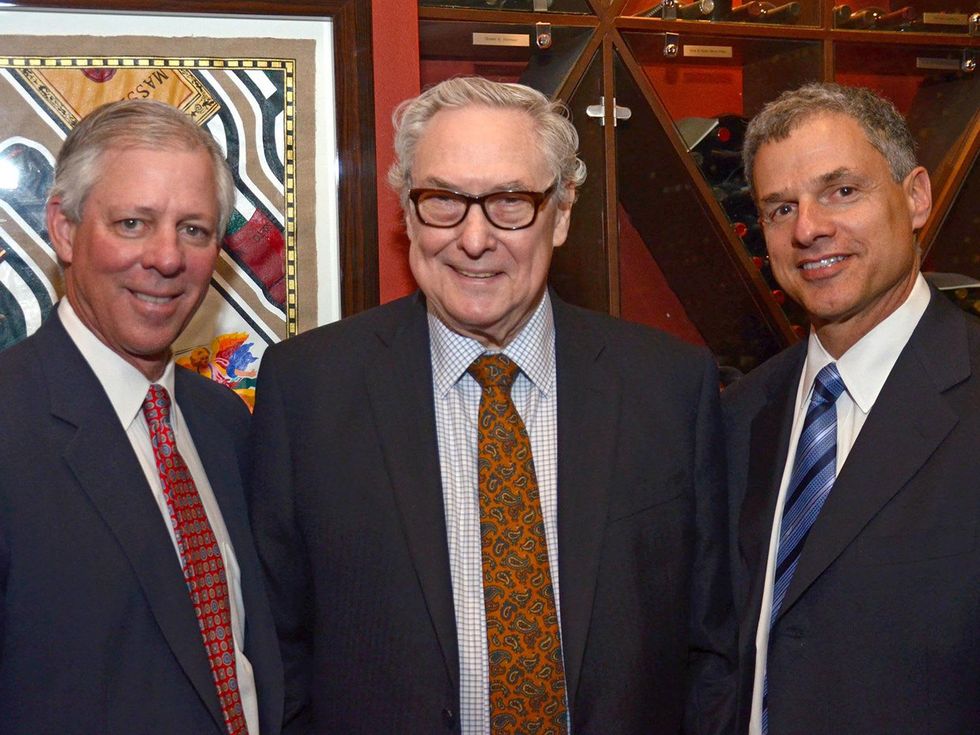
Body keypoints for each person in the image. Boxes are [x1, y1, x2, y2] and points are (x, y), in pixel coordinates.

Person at [248, 76, 735, 734]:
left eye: (510, 202)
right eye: (443, 200)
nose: (474, 239)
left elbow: (711, 647)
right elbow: (279, 654)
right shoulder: (308, 390)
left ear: (561, 213)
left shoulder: (669, 387)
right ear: (408, 215)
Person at [0, 99, 282, 734]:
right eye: (133, 223)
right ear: (64, 229)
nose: (167, 258)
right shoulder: (10, 423)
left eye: (194, 230)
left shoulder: (224, 423)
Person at [723, 82, 980, 734]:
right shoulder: (740, 413)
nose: (808, 228)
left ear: (915, 197)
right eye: (781, 208)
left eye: (841, 190)